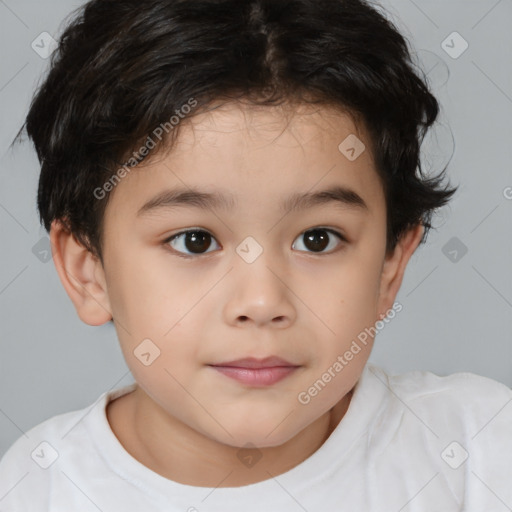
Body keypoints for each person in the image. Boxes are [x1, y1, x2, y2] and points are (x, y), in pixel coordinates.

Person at [1, 0, 511, 510]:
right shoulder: (35, 489)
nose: (263, 301)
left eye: (318, 239)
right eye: (194, 241)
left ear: (389, 267)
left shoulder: (479, 453)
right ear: (89, 271)